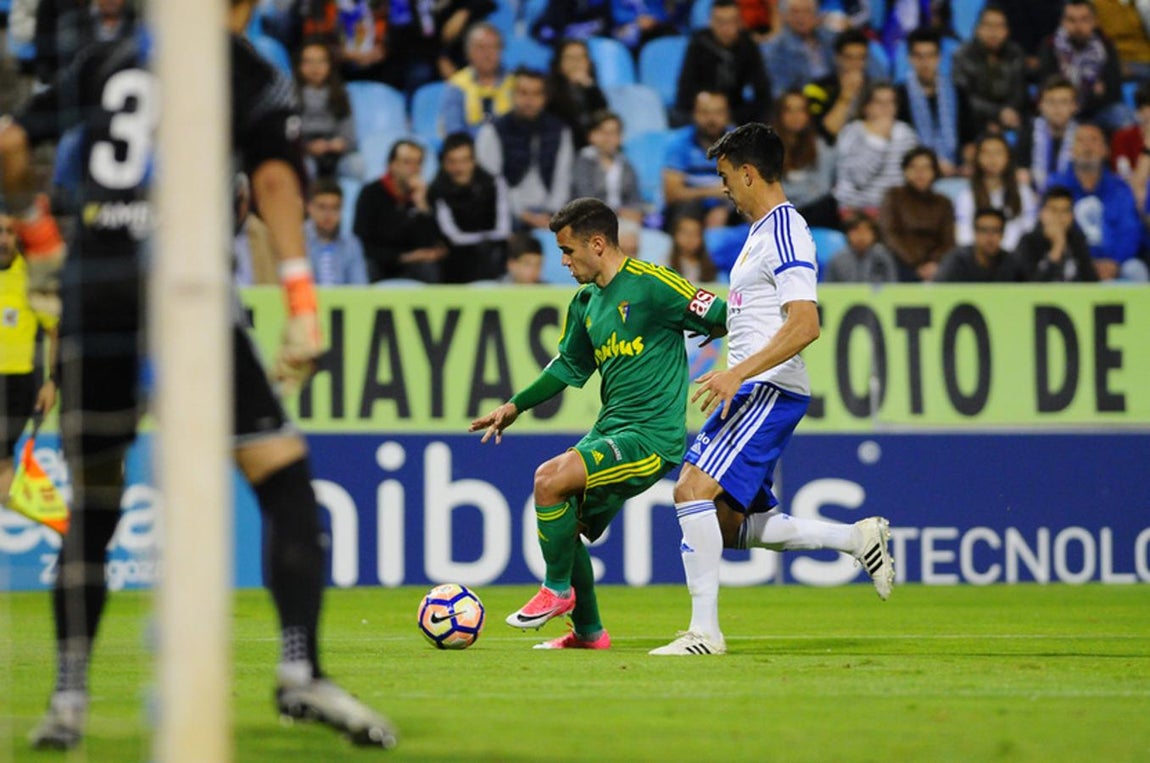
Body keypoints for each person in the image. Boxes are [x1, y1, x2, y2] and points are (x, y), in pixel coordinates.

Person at [0, 0, 396, 748]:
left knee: (96, 499)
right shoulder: (243, 65)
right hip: (184, 291)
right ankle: (299, 669)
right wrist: (300, 299)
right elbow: (277, 180)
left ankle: (68, 696)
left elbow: (11, 144)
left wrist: (45, 242)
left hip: (96, 294)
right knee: (283, 474)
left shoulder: (107, 56)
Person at [651, 123, 894, 656]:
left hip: (766, 388)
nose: (723, 189)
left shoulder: (787, 230)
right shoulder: (762, 233)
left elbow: (806, 323)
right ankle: (856, 539)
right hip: (751, 387)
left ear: (748, 172)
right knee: (731, 522)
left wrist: (738, 372)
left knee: (690, 491)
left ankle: (704, 634)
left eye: (724, 177)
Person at [469, 197, 728, 650]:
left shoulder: (653, 284)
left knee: (548, 480)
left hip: (651, 436)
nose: (563, 262)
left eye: (568, 252)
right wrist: (514, 406)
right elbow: (568, 368)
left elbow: (724, 316)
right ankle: (589, 632)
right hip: (611, 429)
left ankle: (557, 590)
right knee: (565, 525)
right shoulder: (586, 301)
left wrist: (735, 367)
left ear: (597, 243)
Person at [0, 210, 59, 502]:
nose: (2, 240)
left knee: (3, 464)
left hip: (16, 384)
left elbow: (55, 331)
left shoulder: (32, 277)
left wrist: (52, 382)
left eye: (8, 232)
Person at [476, 68, 575, 231]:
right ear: (512, 95)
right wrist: (522, 214)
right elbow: (491, 181)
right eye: (523, 93)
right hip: (507, 212)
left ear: (545, 98)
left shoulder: (560, 130)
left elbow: (562, 177)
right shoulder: (493, 131)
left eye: (536, 94)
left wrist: (553, 214)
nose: (529, 100)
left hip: (550, 212)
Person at [1047, 123, 1147, 281]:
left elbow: (1130, 232)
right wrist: (1086, 263)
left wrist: (1114, 262)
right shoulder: (1055, 186)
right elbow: (1049, 228)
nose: (1087, 146)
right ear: (1071, 151)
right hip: (1072, 261)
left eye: (1094, 140)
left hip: (1114, 264)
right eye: (1081, 140)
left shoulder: (1120, 189)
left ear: (1106, 150)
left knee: (1135, 269)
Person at [353, 138, 447, 282]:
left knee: (432, 267)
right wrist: (403, 257)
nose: (414, 168)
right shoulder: (371, 193)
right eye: (407, 162)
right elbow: (363, 243)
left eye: (418, 163)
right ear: (392, 165)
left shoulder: (427, 195)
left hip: (416, 265)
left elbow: (433, 244)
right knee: (366, 266)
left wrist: (422, 206)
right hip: (382, 263)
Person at [428, 131, 512, 283]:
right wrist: (480, 239)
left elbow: (503, 228)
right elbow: (451, 235)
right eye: (452, 162)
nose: (459, 168)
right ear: (444, 163)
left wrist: (485, 240)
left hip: (494, 248)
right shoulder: (436, 190)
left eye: (464, 160)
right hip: (457, 256)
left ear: (474, 161)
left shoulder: (494, 183)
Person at [1036, 0, 1132, 132]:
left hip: (1100, 111)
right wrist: (1092, 91)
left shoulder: (1106, 45)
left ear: (1094, 21)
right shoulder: (1050, 46)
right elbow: (1049, 85)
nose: (1078, 26)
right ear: (1062, 22)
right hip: (1064, 111)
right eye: (1071, 20)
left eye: (1084, 19)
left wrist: (1078, 95)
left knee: (1122, 114)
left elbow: (1113, 90)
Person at [674, 0, 772, 126]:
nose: (726, 28)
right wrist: (708, 110)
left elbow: (762, 92)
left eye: (731, 22)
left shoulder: (748, 46)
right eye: (720, 22)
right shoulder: (699, 44)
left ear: (740, 23)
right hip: (703, 112)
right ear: (711, 22)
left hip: (736, 114)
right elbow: (685, 91)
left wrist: (729, 115)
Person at [833, 82, 920, 216]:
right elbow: (859, 179)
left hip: (896, 212)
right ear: (865, 107)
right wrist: (878, 140)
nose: (886, 108)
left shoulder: (906, 133)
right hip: (856, 211)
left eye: (891, 102)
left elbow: (911, 177)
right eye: (879, 102)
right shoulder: (851, 133)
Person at [951, 4, 1029, 145]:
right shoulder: (962, 56)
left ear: (1007, 30)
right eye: (988, 25)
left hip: (1010, 121)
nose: (994, 32)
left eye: (999, 26)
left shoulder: (1016, 54)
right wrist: (998, 113)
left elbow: (1020, 94)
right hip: (973, 126)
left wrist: (1005, 117)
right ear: (978, 29)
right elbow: (965, 100)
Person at [879, 146, 955, 282]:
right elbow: (889, 234)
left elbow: (948, 241)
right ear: (905, 171)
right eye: (914, 167)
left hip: (935, 264)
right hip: (901, 261)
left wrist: (933, 263)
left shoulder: (944, 202)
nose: (920, 173)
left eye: (926, 168)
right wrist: (916, 263)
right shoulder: (894, 196)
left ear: (934, 172)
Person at [896, 27, 964, 176]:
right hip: (914, 172)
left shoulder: (958, 92)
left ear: (939, 57)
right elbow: (901, 143)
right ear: (909, 59)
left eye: (930, 56)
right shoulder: (898, 95)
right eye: (919, 56)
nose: (925, 63)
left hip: (956, 169)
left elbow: (968, 137)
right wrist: (934, 163)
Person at [663, 90, 735, 228]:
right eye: (705, 112)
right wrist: (713, 192)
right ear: (694, 114)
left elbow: (749, 185)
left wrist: (724, 208)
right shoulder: (679, 143)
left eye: (718, 112)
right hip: (690, 208)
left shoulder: (739, 142)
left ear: (727, 115)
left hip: (729, 207)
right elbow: (672, 193)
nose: (712, 119)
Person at [955, 134, 1037, 251]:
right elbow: (964, 235)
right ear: (978, 158)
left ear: (1008, 157)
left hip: (1016, 259)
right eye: (986, 153)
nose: (992, 158)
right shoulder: (967, 196)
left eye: (998, 153)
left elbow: (1030, 230)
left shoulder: (1023, 193)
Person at [295, 38, 361, 180]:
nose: (315, 68)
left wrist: (338, 144)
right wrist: (307, 147)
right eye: (309, 62)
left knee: (357, 165)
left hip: (337, 153)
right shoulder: (290, 95)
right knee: (305, 168)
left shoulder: (341, 94)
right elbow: (288, 134)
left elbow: (350, 136)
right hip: (304, 153)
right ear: (299, 65)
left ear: (330, 65)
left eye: (321, 61)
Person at [773, 89, 839, 229]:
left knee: (828, 204)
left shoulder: (819, 146)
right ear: (779, 115)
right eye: (789, 111)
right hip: (781, 213)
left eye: (801, 110)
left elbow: (823, 188)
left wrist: (796, 196)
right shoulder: (767, 149)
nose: (795, 116)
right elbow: (770, 190)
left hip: (813, 211)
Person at [1006, 185, 1099, 282]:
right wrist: (1058, 246)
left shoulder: (1077, 240)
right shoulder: (1028, 242)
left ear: (1071, 216)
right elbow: (1032, 287)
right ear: (1041, 213)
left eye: (1065, 211)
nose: (1059, 216)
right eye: (1053, 210)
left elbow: (1091, 281)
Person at [440, 23, 515, 137]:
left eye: (493, 47)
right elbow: (454, 129)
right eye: (481, 47)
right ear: (468, 52)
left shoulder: (515, 83)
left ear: (501, 50)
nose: (487, 54)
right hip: (469, 149)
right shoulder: (456, 85)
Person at [571, 110, 645, 224]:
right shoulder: (583, 162)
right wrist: (618, 213)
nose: (608, 138)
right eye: (603, 132)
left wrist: (635, 212)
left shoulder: (626, 164)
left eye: (614, 133)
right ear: (591, 135)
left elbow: (635, 199)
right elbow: (585, 200)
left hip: (622, 221)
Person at [803, 28, 872, 144]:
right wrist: (846, 97)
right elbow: (826, 134)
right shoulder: (816, 88)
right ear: (837, 58)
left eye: (861, 58)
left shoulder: (874, 89)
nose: (855, 64)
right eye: (849, 58)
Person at [1016, 75, 1080, 194]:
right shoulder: (1028, 132)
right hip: (1034, 198)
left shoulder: (1083, 135)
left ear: (1074, 106)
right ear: (1040, 105)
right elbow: (1021, 169)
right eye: (1051, 102)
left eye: (1064, 102)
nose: (1057, 108)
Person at [760, 0, 836, 100]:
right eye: (795, 12)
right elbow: (778, 92)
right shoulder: (774, 50)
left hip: (833, 95)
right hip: (801, 104)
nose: (801, 17)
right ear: (785, 16)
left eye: (807, 11)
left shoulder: (831, 38)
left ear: (816, 15)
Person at [545, 38, 609, 149]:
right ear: (559, 63)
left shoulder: (594, 91)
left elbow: (603, 121)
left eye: (581, 57)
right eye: (570, 58)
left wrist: (590, 89)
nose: (576, 63)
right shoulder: (549, 94)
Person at [305, 179, 369, 285]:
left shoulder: (351, 244)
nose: (328, 214)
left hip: (343, 301)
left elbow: (360, 288)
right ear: (309, 208)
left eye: (335, 208)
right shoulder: (296, 241)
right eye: (322, 207)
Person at [934, 208, 1015, 282]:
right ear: (975, 233)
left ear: (1003, 234)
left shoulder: (1012, 263)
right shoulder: (956, 261)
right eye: (984, 230)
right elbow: (939, 291)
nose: (989, 237)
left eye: (995, 230)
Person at [825, 212, 898, 283]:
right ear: (847, 234)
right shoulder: (838, 258)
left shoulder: (883, 256)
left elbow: (892, 285)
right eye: (856, 231)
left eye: (865, 231)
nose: (861, 236)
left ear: (874, 234)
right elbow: (828, 287)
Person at [667, 214, 718, 283]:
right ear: (675, 235)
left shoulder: (709, 266)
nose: (690, 238)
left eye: (695, 234)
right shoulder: (666, 263)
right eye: (685, 233)